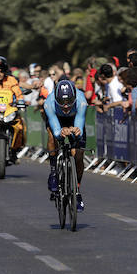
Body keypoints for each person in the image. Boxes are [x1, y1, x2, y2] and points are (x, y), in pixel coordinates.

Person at [44, 78, 88, 212]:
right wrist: (60, 132)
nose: (66, 106)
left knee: (78, 154)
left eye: (69, 102)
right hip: (56, 119)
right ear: (56, 99)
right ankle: (53, 171)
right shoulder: (48, 103)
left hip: (75, 119)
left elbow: (79, 126)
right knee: (52, 136)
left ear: (74, 98)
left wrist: (75, 131)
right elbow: (57, 131)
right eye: (62, 102)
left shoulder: (82, 102)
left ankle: (77, 190)